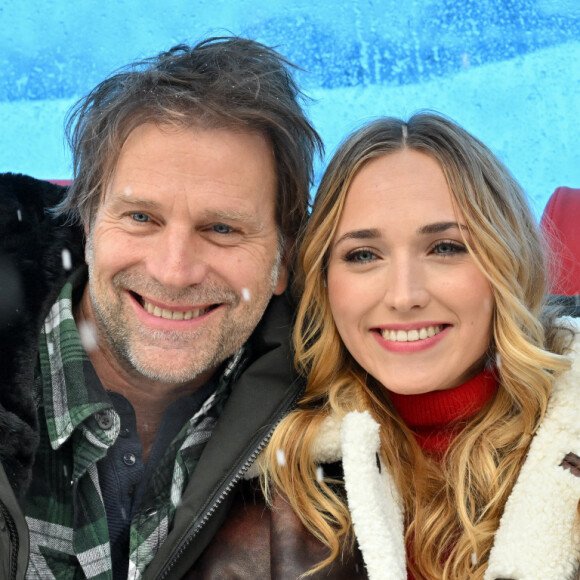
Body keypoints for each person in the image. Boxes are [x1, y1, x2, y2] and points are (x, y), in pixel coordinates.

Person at [0, 36, 322, 579]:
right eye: (141, 218)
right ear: (87, 225)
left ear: (283, 261)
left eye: (222, 229)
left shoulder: (339, 433)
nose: (174, 271)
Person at [259, 112, 580, 580]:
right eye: (363, 255)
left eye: (445, 247)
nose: (404, 295)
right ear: (323, 281)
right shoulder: (270, 475)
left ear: (505, 263)